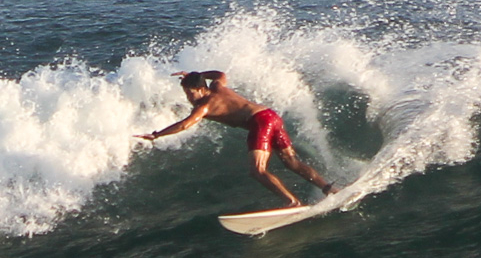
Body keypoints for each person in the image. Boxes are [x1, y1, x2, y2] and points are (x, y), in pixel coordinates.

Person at [138, 70, 338, 208]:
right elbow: (220, 75)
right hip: (271, 115)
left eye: (191, 93)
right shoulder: (217, 86)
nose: (189, 98)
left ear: (200, 89)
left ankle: (292, 202)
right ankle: (329, 189)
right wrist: (195, 75)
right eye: (186, 94)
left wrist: (157, 135)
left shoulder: (204, 106)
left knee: (257, 170)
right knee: (292, 162)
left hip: (259, 122)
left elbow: (184, 124)